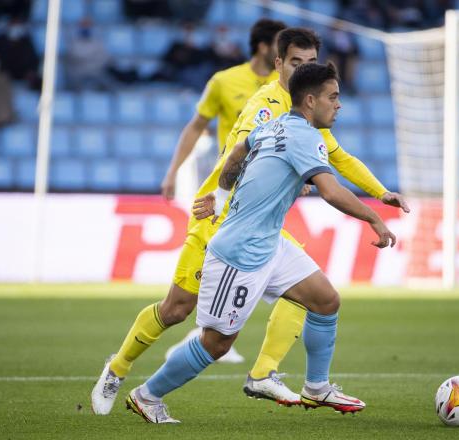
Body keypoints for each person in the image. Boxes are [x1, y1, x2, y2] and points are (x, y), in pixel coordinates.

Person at [91, 27, 409, 416]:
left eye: (310, 65)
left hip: (265, 232)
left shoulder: (302, 124)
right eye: (332, 96)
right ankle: (137, 385)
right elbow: (318, 184)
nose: (339, 104)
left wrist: (368, 189)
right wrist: (373, 218)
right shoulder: (267, 106)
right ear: (283, 68)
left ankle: (307, 383)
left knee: (324, 299)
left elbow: (252, 149)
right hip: (231, 235)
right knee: (196, 326)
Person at [161, 18, 287, 199]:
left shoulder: (287, 83)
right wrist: (172, 172)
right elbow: (196, 127)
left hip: (272, 184)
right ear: (263, 47)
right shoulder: (223, 81)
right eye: (279, 46)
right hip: (230, 181)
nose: (283, 53)